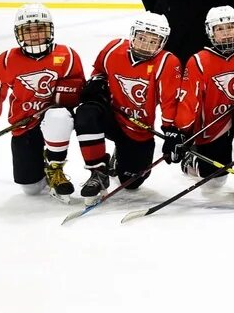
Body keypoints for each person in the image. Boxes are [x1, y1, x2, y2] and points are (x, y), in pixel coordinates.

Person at [0, 4, 86, 201]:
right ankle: (39, 166)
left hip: (55, 122)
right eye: (28, 30)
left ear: (50, 29)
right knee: (31, 188)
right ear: (18, 33)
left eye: (40, 29)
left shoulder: (66, 56)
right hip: (23, 124)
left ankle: (54, 167)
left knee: (57, 116)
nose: (34, 35)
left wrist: (65, 99)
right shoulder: (7, 60)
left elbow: (77, 94)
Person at [73, 12, 183, 200]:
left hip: (138, 127)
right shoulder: (113, 49)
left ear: (162, 42)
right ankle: (97, 172)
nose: (145, 45)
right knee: (86, 113)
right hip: (111, 116)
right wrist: (97, 81)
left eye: (152, 41)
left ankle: (120, 156)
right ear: (133, 34)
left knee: (131, 182)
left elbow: (169, 101)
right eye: (142, 38)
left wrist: (171, 131)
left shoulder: (167, 62)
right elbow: (99, 71)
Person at [169, 6, 234, 192]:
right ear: (210, 32)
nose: (227, 33)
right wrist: (181, 133)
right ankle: (192, 157)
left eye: (231, 27)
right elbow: (189, 102)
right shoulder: (199, 61)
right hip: (213, 126)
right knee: (215, 177)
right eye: (220, 29)